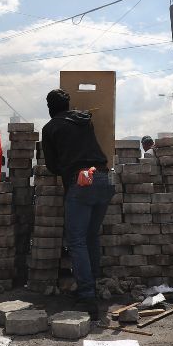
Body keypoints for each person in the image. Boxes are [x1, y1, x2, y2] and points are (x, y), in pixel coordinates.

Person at [41, 89, 114, 320]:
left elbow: (53, 166)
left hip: (82, 181)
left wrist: (66, 166)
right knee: (91, 236)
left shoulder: (51, 128)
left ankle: (87, 297)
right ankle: (92, 285)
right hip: (104, 178)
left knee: (77, 241)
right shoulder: (85, 120)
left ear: (50, 107)